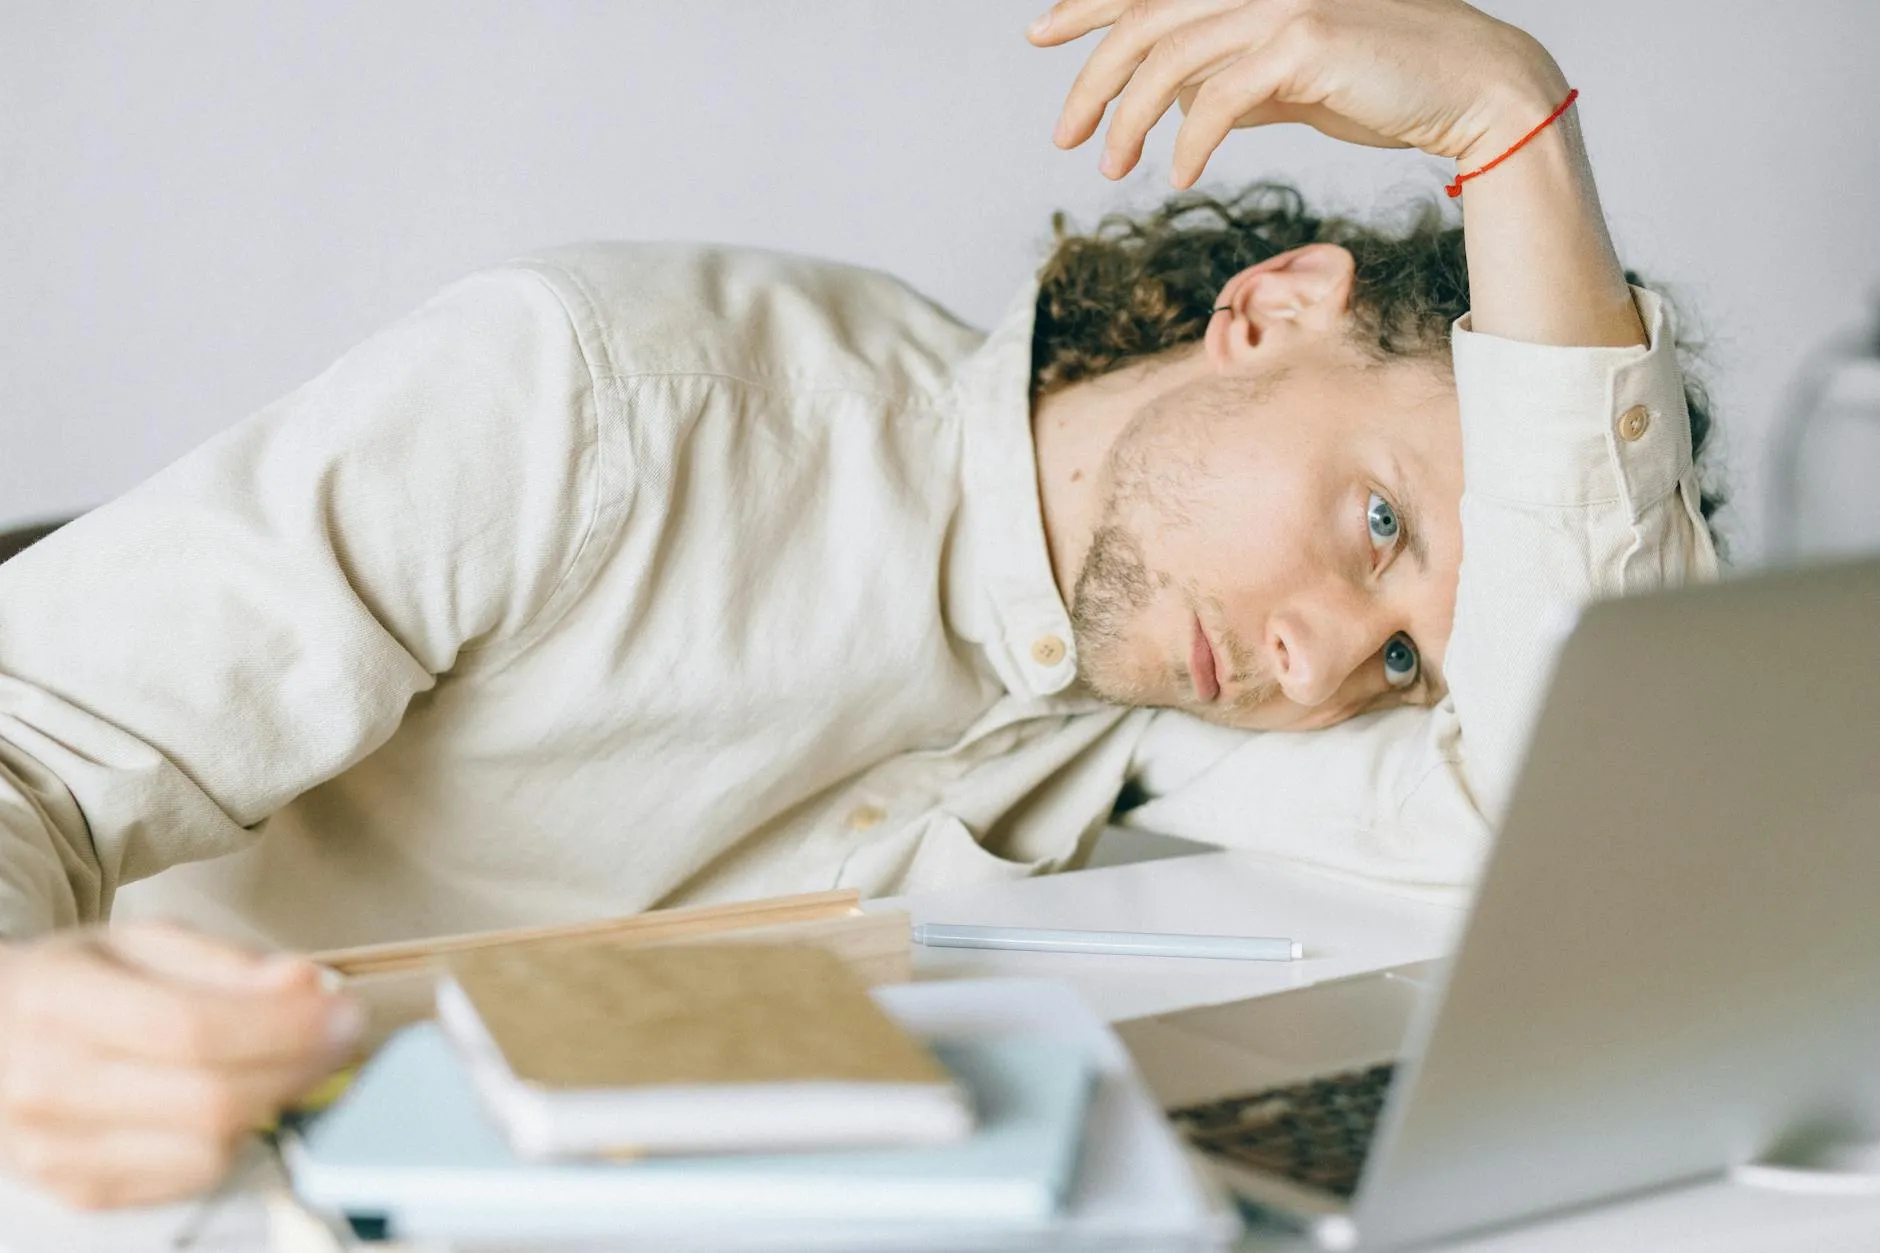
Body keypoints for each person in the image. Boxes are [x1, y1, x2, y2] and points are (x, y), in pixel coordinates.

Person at [0, 0, 1718, 1210]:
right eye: (1376, 520)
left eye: (1410, 649)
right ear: (1270, 310)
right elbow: (32, 745)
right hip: (180, 1175)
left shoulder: (1137, 701)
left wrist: (1515, 136)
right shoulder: (601, 400)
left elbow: (1581, 820)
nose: (1327, 660)